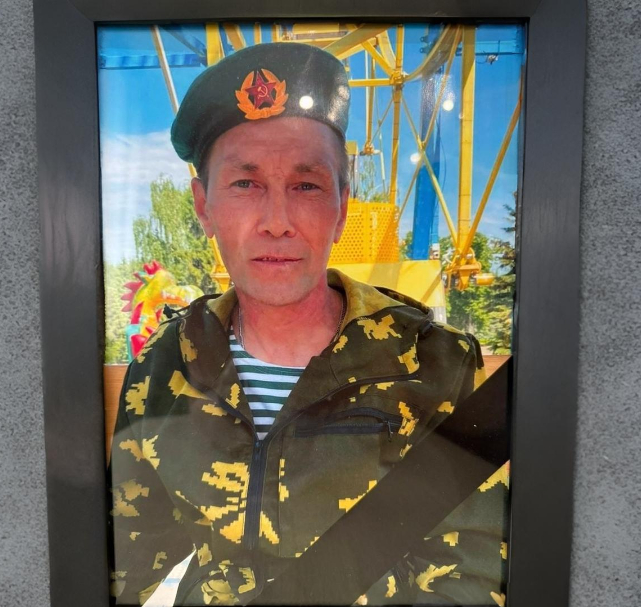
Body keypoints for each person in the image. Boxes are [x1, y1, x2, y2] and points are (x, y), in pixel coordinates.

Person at [109, 42, 508, 606]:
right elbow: (122, 557)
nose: (277, 222)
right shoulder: (166, 365)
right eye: (245, 184)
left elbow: (473, 579)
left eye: (306, 186)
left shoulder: (431, 366)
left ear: (341, 207)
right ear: (203, 205)